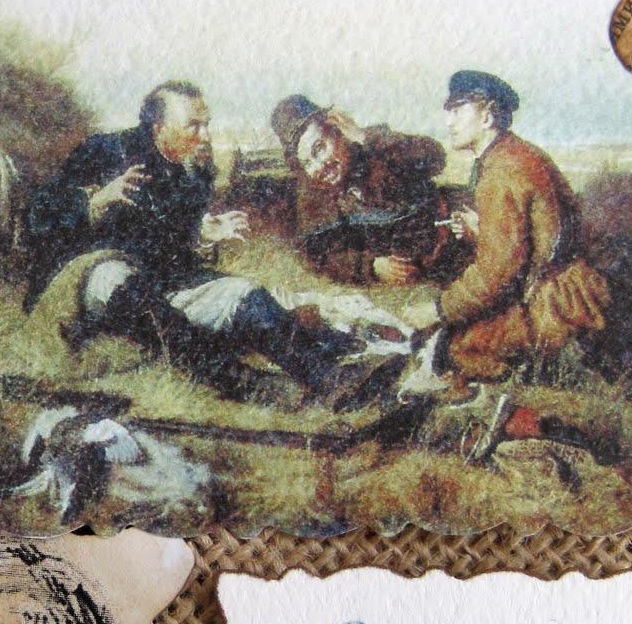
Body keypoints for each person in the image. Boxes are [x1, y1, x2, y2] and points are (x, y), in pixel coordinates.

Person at [25, 81, 397, 404]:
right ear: (159, 128)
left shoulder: (194, 174)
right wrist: (94, 202)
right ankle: (238, 381)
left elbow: (172, 252)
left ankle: (329, 379)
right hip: (90, 286)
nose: (204, 135)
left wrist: (202, 235)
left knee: (245, 296)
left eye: (206, 124)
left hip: (161, 287)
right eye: (194, 125)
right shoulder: (106, 150)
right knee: (116, 276)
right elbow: (36, 215)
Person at [398, 71, 610, 397]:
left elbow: (497, 273)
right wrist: (480, 231)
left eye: (457, 111)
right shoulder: (513, 154)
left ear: (487, 116)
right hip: (560, 288)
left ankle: (557, 374)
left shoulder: (503, 171)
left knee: (455, 349)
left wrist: (438, 309)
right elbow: (530, 241)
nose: (449, 122)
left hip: (557, 303)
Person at [269, 94, 451, 284]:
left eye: (320, 148)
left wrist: (364, 137)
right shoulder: (315, 191)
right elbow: (314, 254)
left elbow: (435, 157)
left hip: (443, 252)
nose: (320, 165)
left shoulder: (378, 146)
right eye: (307, 163)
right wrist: (370, 266)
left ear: (338, 131)